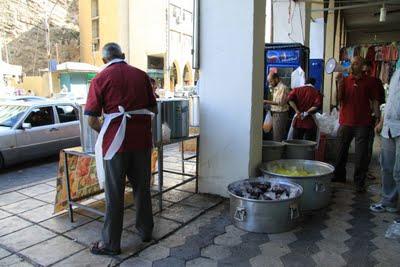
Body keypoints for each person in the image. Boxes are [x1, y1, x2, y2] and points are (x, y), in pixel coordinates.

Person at [85, 43, 158, 255]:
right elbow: (153, 109)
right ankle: (145, 232)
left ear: (103, 60)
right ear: (123, 55)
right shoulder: (142, 76)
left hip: (115, 146)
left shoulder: (99, 79)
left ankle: (111, 244)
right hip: (142, 142)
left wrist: (108, 131)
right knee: (142, 188)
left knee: (115, 193)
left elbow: (91, 120)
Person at [333, 56, 381, 192]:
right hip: (346, 122)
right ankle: (339, 176)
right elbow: (338, 99)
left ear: (362, 66)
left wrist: (378, 118)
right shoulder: (346, 80)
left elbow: (376, 101)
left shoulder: (370, 82)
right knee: (341, 151)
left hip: (363, 123)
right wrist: (338, 84)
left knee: (361, 154)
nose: (353, 66)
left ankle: (359, 181)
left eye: (356, 63)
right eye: (352, 63)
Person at [370, 69, 400, 213]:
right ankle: (389, 201)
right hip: (389, 126)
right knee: (387, 167)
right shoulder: (397, 73)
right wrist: (381, 122)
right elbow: (390, 102)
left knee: (398, 171)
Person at [362, 61, 385, 180]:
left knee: (368, 147)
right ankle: (359, 172)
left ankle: (365, 171)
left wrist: (378, 118)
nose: (366, 73)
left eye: (368, 71)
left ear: (371, 70)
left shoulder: (376, 82)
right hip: (357, 121)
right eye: (363, 71)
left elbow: (381, 101)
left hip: (370, 120)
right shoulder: (356, 81)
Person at [264, 73, 290, 141]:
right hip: (274, 113)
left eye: (271, 81)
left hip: (280, 114)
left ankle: (278, 150)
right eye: (269, 82)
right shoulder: (275, 88)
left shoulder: (283, 88)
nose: (270, 83)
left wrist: (265, 101)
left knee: (277, 137)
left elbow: (280, 102)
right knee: (273, 134)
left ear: (276, 79)